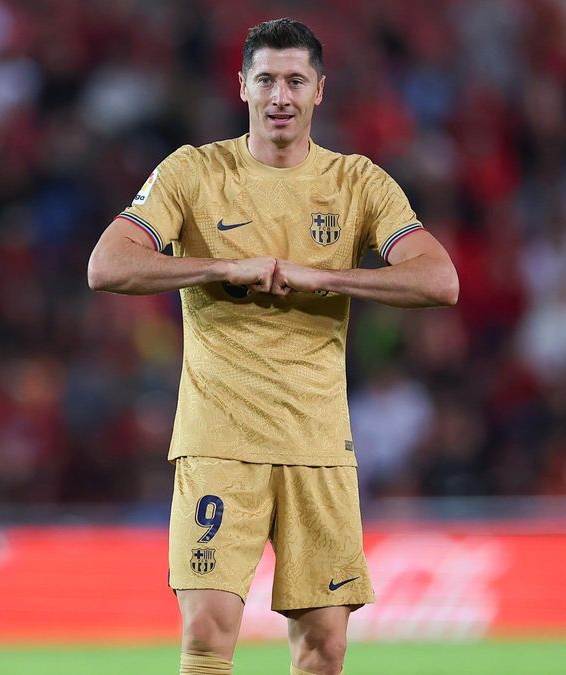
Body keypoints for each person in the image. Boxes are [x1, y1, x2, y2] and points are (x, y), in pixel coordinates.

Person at [87, 18, 458, 675]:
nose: (280, 95)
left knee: (324, 645)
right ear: (241, 88)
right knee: (207, 635)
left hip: (317, 442)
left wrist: (327, 276)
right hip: (219, 440)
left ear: (321, 89)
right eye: (266, 80)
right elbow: (107, 264)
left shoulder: (358, 183)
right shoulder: (194, 172)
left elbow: (441, 278)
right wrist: (217, 267)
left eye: (294, 80)